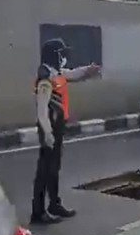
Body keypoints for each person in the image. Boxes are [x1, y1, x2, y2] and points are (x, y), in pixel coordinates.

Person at [31, 38, 101, 225]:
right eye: (61, 54)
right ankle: (38, 212)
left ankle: (54, 204)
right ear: (53, 55)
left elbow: (72, 74)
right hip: (50, 128)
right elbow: (42, 110)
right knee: (44, 172)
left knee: (54, 170)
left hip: (57, 127)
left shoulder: (57, 72)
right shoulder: (45, 77)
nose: (63, 57)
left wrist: (88, 70)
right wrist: (47, 134)